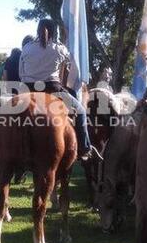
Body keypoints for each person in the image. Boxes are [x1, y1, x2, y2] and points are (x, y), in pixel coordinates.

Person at [19, 18, 100, 161]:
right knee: (80, 111)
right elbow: (69, 69)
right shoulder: (60, 48)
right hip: (52, 90)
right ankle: (84, 148)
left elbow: (21, 73)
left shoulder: (26, 48)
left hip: (27, 91)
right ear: (54, 31)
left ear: (37, 30)